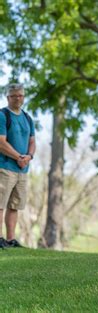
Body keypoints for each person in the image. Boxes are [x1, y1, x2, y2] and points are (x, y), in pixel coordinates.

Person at [0, 83, 36, 249]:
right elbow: (1, 143)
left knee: (14, 206)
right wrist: (18, 156)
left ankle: (10, 239)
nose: (18, 98)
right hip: (5, 167)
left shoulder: (28, 118)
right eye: (14, 95)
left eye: (20, 95)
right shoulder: (3, 115)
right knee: (0, 204)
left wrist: (29, 156)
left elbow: (32, 141)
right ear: (8, 97)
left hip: (22, 169)